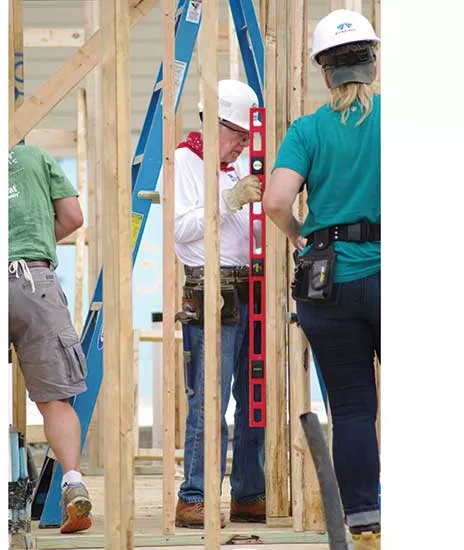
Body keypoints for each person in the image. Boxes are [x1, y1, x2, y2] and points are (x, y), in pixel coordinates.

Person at [262, 10, 381, 550]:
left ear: (325, 73)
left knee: (353, 409)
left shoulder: (307, 130)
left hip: (328, 284)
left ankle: (365, 525)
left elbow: (277, 201)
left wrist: (300, 237)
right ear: (372, 65)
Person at [172, 79, 267, 528]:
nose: (241, 145)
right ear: (213, 124)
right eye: (236, 135)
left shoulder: (242, 163)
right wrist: (229, 200)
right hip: (212, 290)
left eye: (247, 137)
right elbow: (182, 230)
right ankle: (194, 495)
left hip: (251, 288)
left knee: (254, 401)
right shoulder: (186, 160)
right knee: (209, 400)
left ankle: (248, 494)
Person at [8, 144, 93, 534]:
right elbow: (73, 216)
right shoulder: (36, 158)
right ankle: (73, 482)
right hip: (33, 280)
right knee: (54, 399)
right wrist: (38, 239)